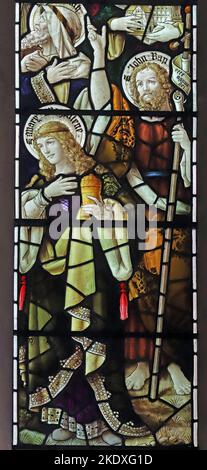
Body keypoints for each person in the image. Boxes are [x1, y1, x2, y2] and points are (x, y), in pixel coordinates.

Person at [18, 22, 150, 445]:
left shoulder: (99, 177)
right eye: (40, 147)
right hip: (50, 278)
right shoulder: (41, 187)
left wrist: (109, 216)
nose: (45, 151)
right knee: (58, 345)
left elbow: (136, 214)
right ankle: (66, 422)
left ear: (69, 143)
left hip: (96, 272)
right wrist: (43, 200)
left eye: (51, 143)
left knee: (99, 344)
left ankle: (106, 421)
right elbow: (25, 226)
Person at [122, 59, 192, 395]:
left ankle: (174, 360)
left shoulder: (180, 122)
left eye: (152, 82)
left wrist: (189, 145)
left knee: (176, 286)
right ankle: (147, 360)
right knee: (143, 288)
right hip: (145, 208)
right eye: (140, 84)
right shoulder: (133, 124)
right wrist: (153, 199)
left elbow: (192, 177)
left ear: (165, 84)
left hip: (179, 208)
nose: (145, 89)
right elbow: (128, 169)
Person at [21, 3, 91, 108]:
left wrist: (46, 79)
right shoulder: (28, 61)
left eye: (43, 20)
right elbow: (18, 99)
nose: (36, 24)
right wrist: (45, 79)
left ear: (57, 29)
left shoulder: (80, 65)